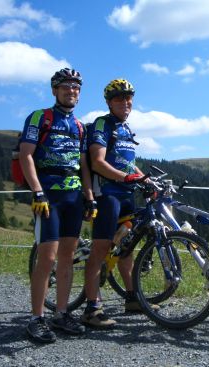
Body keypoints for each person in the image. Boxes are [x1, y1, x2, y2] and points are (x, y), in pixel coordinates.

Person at [19, 67, 97, 343]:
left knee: (67, 257)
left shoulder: (80, 126)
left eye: (76, 87)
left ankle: (61, 313)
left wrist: (89, 197)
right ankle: (36, 318)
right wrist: (38, 191)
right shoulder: (40, 117)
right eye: (65, 86)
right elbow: (26, 155)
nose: (71, 91)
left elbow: (84, 165)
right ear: (55, 90)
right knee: (47, 258)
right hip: (48, 195)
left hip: (73, 197)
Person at [81, 78, 151, 327]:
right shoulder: (103, 124)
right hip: (107, 194)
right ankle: (92, 309)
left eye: (128, 98)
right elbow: (98, 162)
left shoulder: (126, 129)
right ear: (109, 102)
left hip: (126, 194)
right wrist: (125, 177)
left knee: (126, 248)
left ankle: (132, 298)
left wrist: (145, 180)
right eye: (119, 98)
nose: (125, 102)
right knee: (100, 250)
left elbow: (128, 164)